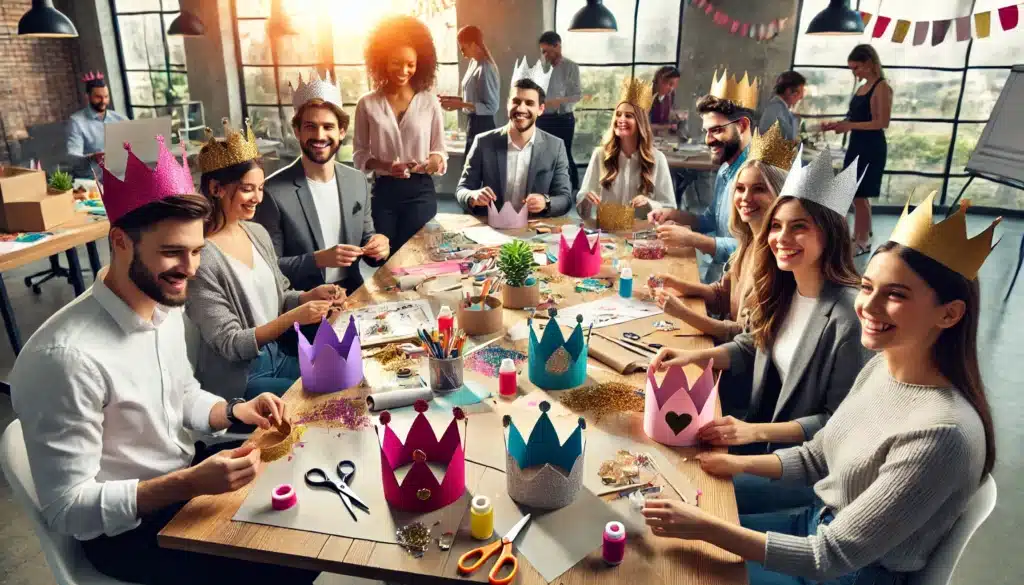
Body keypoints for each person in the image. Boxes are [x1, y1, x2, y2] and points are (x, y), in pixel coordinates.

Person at [642, 194, 998, 585]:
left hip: (845, 572)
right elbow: (819, 454)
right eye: (867, 287)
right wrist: (738, 463)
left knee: (674, 567)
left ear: (950, 313)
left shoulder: (941, 434)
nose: (868, 306)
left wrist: (703, 527)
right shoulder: (883, 366)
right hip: (814, 520)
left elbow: (828, 557)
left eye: (896, 294)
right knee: (665, 514)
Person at [9, 136, 316, 585]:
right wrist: (189, 484)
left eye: (196, 251)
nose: (190, 269)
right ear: (120, 242)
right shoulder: (66, 359)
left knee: (302, 499)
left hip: (185, 476)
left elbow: (181, 393)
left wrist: (232, 411)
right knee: (289, 556)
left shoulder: (164, 304)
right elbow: (69, 511)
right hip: (128, 534)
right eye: (173, 252)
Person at [650, 146, 872, 512]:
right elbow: (753, 344)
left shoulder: (848, 317)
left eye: (799, 227)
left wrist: (754, 432)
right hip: (758, 430)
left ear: (829, 233)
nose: (782, 238)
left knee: (691, 492)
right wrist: (695, 356)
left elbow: (838, 423)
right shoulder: (785, 285)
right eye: (778, 226)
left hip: (802, 468)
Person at [187, 121, 348, 400]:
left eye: (261, 188)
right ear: (216, 187)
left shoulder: (256, 232)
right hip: (241, 380)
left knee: (346, 377)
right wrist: (293, 317)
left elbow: (280, 294)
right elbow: (230, 343)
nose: (257, 199)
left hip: (278, 356)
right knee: (329, 395)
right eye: (248, 189)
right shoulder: (200, 258)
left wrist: (309, 296)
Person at [652, 122, 797, 343]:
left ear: (779, 194)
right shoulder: (748, 241)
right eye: (740, 188)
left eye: (759, 189)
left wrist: (682, 312)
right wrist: (676, 283)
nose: (746, 198)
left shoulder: (778, 258)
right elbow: (722, 295)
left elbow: (743, 336)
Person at [256, 73, 389, 295]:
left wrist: (378, 245)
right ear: (297, 131)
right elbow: (269, 267)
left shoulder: (357, 181)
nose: (319, 136)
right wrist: (317, 260)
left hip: (354, 293)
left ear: (341, 132)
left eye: (328, 127)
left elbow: (367, 237)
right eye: (310, 126)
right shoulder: (272, 192)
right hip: (304, 301)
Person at [354, 15, 447, 253]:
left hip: (421, 190)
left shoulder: (429, 101)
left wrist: (433, 162)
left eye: (411, 64)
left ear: (420, 64)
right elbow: (360, 154)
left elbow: (439, 150)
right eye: (396, 63)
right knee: (382, 257)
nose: (404, 71)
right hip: (384, 192)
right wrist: (386, 164)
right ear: (382, 60)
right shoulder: (367, 104)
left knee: (417, 254)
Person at [649, 95, 753, 283]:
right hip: (719, 278)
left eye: (717, 130)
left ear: (743, 126)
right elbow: (710, 221)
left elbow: (754, 248)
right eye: (707, 131)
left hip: (745, 283)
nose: (708, 140)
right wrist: (672, 214)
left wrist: (691, 239)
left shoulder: (756, 175)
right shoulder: (725, 170)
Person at [456, 75, 572, 219]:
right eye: (516, 101)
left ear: (541, 109)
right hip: (492, 228)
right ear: (507, 104)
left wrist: (546, 202)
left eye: (529, 103)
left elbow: (565, 198)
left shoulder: (556, 146)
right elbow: (462, 190)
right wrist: (473, 196)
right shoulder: (483, 142)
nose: (521, 108)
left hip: (534, 230)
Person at [823, 44, 892, 256]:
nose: (855, 73)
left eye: (857, 67)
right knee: (856, 194)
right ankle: (862, 234)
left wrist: (849, 126)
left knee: (859, 195)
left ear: (870, 63)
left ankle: (862, 241)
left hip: (871, 146)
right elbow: (855, 118)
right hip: (857, 144)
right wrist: (838, 124)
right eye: (852, 69)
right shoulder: (863, 87)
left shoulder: (882, 87)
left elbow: (882, 122)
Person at [577, 78, 676, 220]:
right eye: (618, 114)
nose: (621, 119)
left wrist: (649, 203)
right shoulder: (600, 155)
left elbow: (670, 208)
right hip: (607, 233)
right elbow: (582, 208)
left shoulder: (658, 158)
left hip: (643, 235)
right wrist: (586, 200)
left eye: (629, 116)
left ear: (640, 123)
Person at [440, 25, 500, 159]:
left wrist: (460, 106)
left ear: (473, 44)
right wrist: (452, 100)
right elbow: (472, 98)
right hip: (473, 125)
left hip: (484, 127)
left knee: (478, 174)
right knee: (470, 172)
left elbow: (491, 107)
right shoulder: (473, 64)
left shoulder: (486, 68)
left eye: (463, 48)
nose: (462, 53)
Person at [536, 31, 582, 191]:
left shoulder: (571, 67)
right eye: (543, 51)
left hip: (563, 118)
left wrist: (558, 102)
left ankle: (573, 189)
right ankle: (547, 189)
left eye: (547, 51)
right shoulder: (541, 68)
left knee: (565, 154)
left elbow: (577, 95)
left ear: (558, 46)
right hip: (543, 119)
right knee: (543, 155)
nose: (545, 55)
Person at [66, 71, 128, 179]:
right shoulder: (76, 121)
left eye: (106, 96)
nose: (103, 101)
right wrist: (93, 157)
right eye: (98, 97)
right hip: (95, 177)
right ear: (87, 97)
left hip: (121, 173)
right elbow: (73, 156)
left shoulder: (119, 118)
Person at [759, 71, 806, 141]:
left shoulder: (780, 107)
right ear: (788, 91)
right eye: (798, 93)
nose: (801, 97)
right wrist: (795, 118)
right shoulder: (776, 109)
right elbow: (791, 138)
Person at [649, 65, 681, 132]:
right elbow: (642, 126)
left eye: (674, 85)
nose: (672, 88)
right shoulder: (647, 96)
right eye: (670, 84)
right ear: (659, 80)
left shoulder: (669, 95)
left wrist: (675, 116)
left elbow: (665, 116)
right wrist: (666, 127)